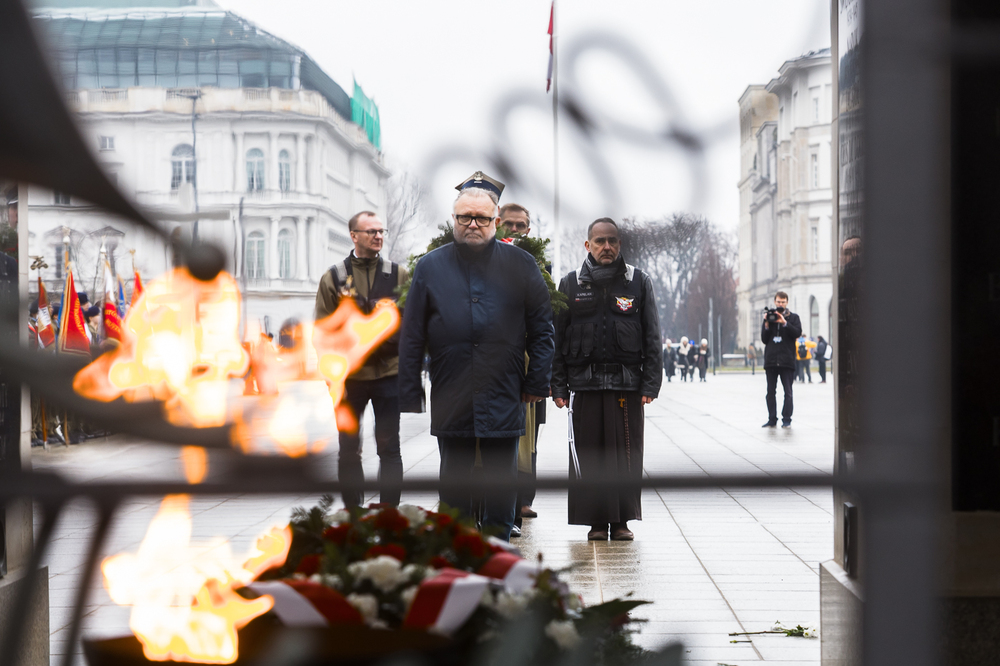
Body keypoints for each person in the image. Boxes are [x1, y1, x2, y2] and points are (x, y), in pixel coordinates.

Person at [398, 172, 554, 541]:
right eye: (464, 217)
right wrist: (408, 389)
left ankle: (498, 549)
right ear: (453, 220)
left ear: (495, 222)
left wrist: (537, 382)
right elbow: (412, 334)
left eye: (481, 218)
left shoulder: (521, 265)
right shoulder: (430, 267)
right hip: (452, 387)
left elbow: (543, 328)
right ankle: (457, 547)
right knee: (454, 478)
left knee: (502, 477)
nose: (472, 224)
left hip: (505, 387)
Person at [552, 217, 662, 542]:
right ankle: (596, 523)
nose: (607, 247)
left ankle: (622, 521)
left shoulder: (638, 282)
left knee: (625, 456)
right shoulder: (570, 284)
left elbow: (652, 336)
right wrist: (557, 385)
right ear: (588, 245)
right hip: (583, 388)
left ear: (620, 245)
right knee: (589, 456)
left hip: (626, 387)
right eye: (599, 241)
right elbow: (557, 340)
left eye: (612, 241)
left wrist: (651, 384)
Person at [316, 211, 409, 508]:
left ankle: (389, 511)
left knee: (390, 448)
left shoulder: (398, 275)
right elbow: (322, 330)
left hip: (389, 375)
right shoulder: (334, 277)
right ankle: (353, 512)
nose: (378, 236)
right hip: (350, 379)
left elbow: (412, 322)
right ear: (353, 235)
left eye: (381, 231)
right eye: (370, 232)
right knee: (348, 450)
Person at [499, 202, 546, 529]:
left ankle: (521, 500)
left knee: (529, 439)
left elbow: (548, 319)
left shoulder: (537, 264)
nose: (515, 231)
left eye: (521, 226)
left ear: (528, 229)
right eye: (510, 225)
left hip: (529, 365)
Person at [761, 291, 802, 428]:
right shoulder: (769, 318)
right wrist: (767, 325)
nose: (780, 304)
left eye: (783, 302)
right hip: (771, 360)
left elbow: (797, 333)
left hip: (787, 361)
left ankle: (786, 419)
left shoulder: (793, 318)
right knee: (770, 392)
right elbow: (764, 339)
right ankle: (772, 419)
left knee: (788, 392)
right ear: (774, 302)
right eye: (778, 302)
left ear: (787, 302)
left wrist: (784, 323)